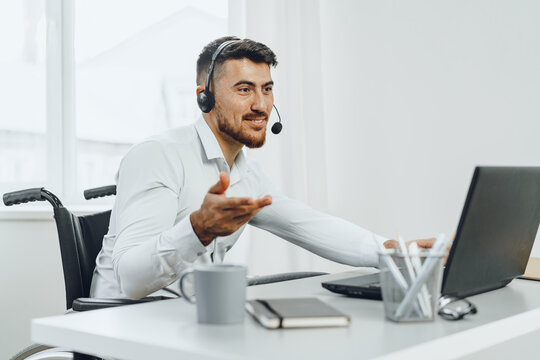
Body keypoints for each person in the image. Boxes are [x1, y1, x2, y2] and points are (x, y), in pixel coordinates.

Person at [90, 36, 433, 300]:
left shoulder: (245, 172)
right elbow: (130, 280)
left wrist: (392, 251)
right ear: (204, 98)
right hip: (124, 327)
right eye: (244, 90)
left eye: (266, 89)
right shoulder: (158, 155)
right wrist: (198, 229)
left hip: (190, 321)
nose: (260, 105)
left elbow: (310, 225)